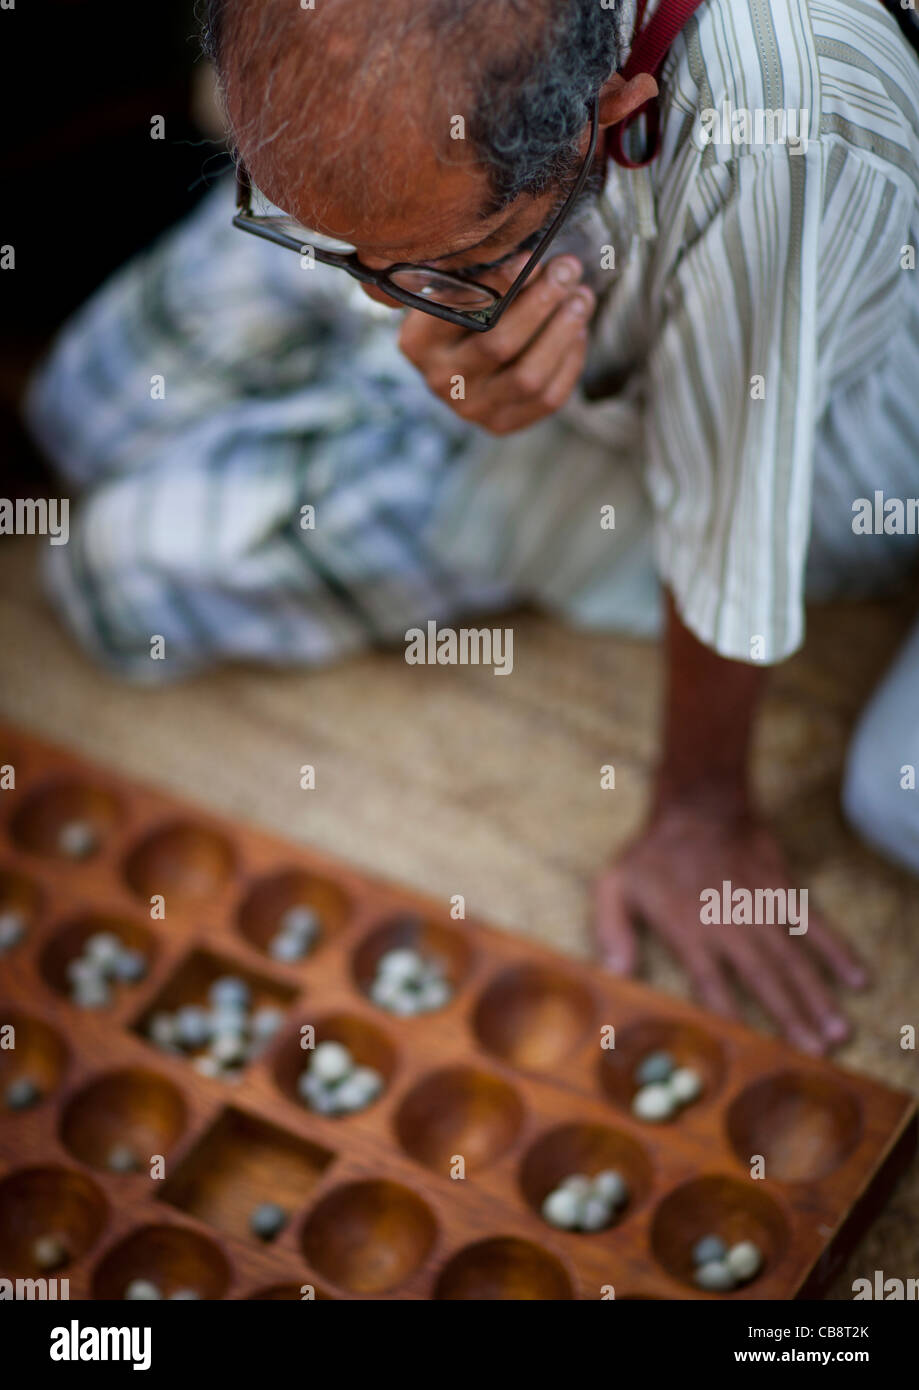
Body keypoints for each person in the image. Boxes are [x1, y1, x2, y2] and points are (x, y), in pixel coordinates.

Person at [24, 0, 919, 1052]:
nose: (378, 306)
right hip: (460, 188)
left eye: (442, 263)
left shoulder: (789, 137)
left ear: (614, 111)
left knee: (114, 578)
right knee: (74, 408)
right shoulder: (409, 182)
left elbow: (729, 501)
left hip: (741, 427)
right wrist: (405, 263)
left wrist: (701, 811)